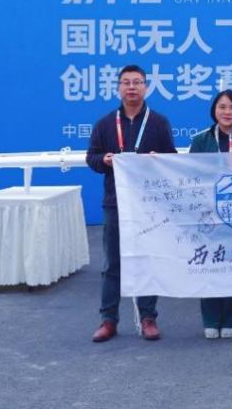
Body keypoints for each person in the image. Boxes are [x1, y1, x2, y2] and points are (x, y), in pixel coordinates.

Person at [86, 65, 177, 342]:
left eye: (137, 82)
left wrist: (158, 160)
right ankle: (108, 320)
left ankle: (148, 317)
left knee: (148, 259)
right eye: (126, 83)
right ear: (118, 88)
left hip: (148, 204)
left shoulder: (158, 122)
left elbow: (171, 157)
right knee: (113, 263)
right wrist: (104, 160)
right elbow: (91, 157)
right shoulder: (104, 123)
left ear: (146, 87)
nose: (131, 87)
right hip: (115, 202)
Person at [189, 89, 232, 339]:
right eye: (222, 107)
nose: (227, 112)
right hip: (208, 213)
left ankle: (230, 319)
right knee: (210, 264)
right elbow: (190, 175)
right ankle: (210, 319)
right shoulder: (201, 140)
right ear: (214, 110)